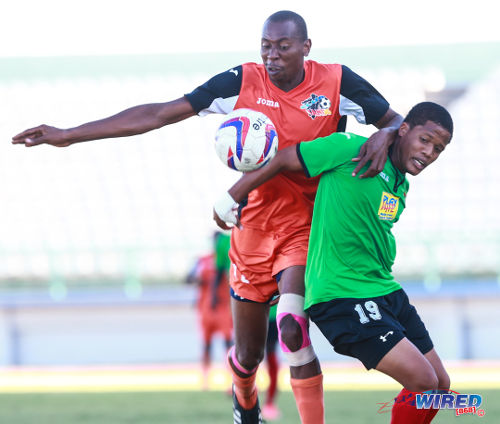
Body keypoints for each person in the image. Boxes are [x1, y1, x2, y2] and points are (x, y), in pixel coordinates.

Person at [13, 10, 403, 424]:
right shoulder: (241, 81)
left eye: (283, 47)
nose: (272, 56)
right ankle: (245, 398)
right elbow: (161, 113)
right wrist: (69, 135)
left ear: (306, 48)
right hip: (250, 229)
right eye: (266, 46)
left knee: (292, 328)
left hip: (306, 228)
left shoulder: (338, 82)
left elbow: (398, 121)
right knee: (248, 354)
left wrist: (385, 132)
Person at [214, 101, 454, 423]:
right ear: (404, 129)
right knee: (423, 383)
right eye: (425, 140)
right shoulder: (349, 148)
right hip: (343, 295)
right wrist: (232, 195)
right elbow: (285, 158)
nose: (429, 152)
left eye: (438, 148)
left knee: (440, 385)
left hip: (386, 291)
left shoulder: (401, 184)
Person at [186, 231, 233, 390]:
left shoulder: (229, 258)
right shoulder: (202, 260)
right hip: (206, 308)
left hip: (223, 307)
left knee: (228, 343)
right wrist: (197, 279)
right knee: (206, 344)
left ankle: (230, 378)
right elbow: (188, 278)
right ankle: (205, 379)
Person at [261, 302, 280, 421]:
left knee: (271, 357)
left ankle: (269, 403)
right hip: (256, 310)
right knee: (250, 358)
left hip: (273, 316)